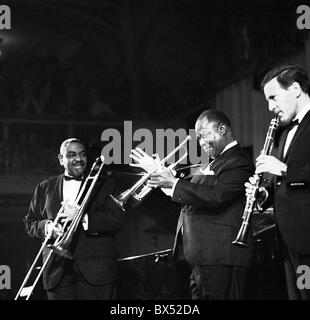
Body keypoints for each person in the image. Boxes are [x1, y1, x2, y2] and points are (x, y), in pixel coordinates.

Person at [130, 109, 255, 300]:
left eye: (204, 136)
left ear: (222, 129)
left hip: (221, 257)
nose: (201, 143)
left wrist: (172, 182)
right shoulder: (214, 163)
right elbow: (190, 196)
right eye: (198, 138)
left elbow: (216, 196)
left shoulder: (238, 161)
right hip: (201, 257)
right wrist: (162, 176)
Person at [23, 138, 124, 300]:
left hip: (97, 272)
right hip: (57, 271)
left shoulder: (105, 184)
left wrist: (82, 218)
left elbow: (117, 220)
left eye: (82, 154)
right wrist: (48, 227)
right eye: (71, 155)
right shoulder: (44, 187)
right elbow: (30, 223)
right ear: (61, 159)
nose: (78, 159)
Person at [245, 64, 310, 300]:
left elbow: (291, 173)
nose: (271, 107)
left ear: (294, 89)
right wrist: (263, 194)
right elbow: (285, 184)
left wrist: (282, 169)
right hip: (288, 241)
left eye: (273, 98)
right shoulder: (283, 133)